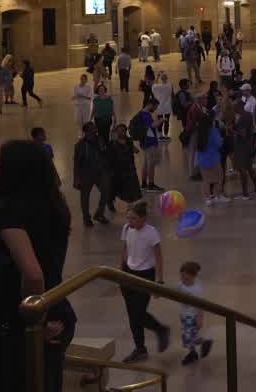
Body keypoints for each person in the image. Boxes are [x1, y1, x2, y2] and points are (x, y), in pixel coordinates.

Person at [0, 141, 75, 392]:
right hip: (58, 307)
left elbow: (34, 275)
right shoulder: (52, 205)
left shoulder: (9, 212)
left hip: (32, 321)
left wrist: (35, 323)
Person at [118, 200, 170, 362]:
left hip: (145, 275)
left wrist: (159, 282)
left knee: (138, 313)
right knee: (132, 316)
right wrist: (121, 271)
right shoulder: (127, 228)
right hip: (128, 274)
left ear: (143, 218)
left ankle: (160, 329)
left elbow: (159, 258)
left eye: (133, 219)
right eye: (128, 218)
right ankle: (140, 349)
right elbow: (124, 250)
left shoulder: (151, 232)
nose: (129, 222)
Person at [72, 122, 109, 227]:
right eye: (92, 128)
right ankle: (86, 218)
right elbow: (76, 163)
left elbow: (105, 154)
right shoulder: (79, 145)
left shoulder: (100, 140)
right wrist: (76, 179)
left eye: (95, 127)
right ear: (86, 131)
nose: (95, 129)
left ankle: (99, 214)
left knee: (106, 192)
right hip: (86, 174)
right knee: (85, 197)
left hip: (100, 172)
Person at [177, 261, 214, 365]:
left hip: (193, 316)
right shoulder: (180, 285)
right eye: (182, 277)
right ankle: (198, 348)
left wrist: (200, 318)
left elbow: (201, 306)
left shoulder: (197, 290)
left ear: (193, 277)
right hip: (184, 315)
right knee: (188, 336)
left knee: (188, 337)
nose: (183, 280)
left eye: (186, 278)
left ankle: (197, 348)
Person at [132, 100, 163, 191]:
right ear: (150, 105)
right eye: (155, 107)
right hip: (149, 141)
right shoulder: (145, 115)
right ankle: (151, 184)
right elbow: (153, 126)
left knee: (146, 163)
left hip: (145, 141)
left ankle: (144, 183)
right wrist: (161, 120)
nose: (155, 109)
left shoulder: (141, 113)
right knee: (151, 163)